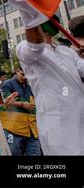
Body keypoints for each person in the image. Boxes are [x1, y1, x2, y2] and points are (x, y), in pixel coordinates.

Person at [16, 15, 84, 155]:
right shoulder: (24, 47)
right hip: (57, 124)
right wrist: (31, 15)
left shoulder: (67, 51)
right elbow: (35, 47)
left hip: (80, 119)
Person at [0, 67, 41, 156]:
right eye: (22, 74)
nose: (25, 77)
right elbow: (3, 101)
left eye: (27, 75)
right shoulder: (7, 84)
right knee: (13, 153)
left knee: (35, 153)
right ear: (17, 71)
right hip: (13, 128)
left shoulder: (30, 85)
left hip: (31, 128)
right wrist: (22, 104)